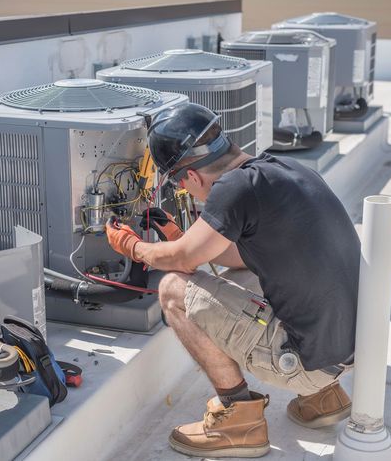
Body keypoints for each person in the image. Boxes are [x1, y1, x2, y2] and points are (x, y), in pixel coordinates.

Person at [105, 103, 360, 458]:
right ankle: (323, 396)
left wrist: (134, 247)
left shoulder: (234, 189)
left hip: (307, 364)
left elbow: (181, 262)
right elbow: (245, 256)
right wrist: (183, 238)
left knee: (174, 291)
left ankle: (238, 420)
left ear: (190, 177)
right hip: (346, 352)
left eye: (180, 186)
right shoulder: (281, 168)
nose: (185, 193)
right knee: (241, 272)